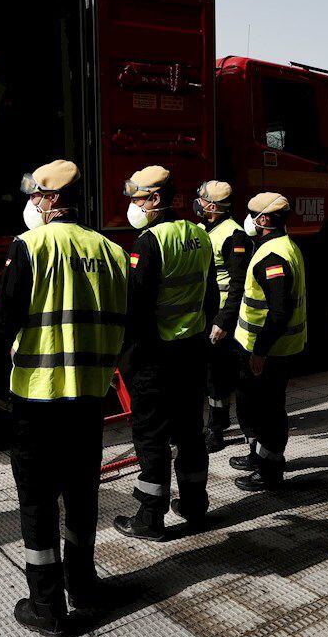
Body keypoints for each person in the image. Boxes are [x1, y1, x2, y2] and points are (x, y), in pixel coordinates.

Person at [0, 160, 128, 637]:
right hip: (90, 401)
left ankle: (48, 609)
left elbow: (3, 320)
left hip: (37, 402)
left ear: (53, 201)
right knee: (81, 495)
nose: (31, 205)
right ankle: (85, 586)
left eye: (36, 197)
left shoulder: (31, 247)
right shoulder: (112, 251)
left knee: (37, 502)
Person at [113, 165, 216, 541]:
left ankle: (150, 517)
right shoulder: (199, 236)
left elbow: (136, 308)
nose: (134, 206)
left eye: (138, 199)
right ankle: (194, 504)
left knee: (152, 436)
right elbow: (210, 297)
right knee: (190, 431)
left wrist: (125, 356)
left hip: (156, 357)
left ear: (156, 199)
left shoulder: (149, 242)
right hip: (192, 352)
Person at [230, 192, 307, 491]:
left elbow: (278, 311)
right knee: (259, 407)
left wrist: (260, 352)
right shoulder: (285, 246)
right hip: (268, 347)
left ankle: (270, 470)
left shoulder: (273, 257)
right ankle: (260, 458)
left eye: (252, 215)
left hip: (269, 351)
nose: (249, 221)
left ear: (263, 220)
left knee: (269, 411)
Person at [194, 180, 253, 452]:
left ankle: (218, 429)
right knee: (209, 372)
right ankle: (217, 421)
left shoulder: (235, 235)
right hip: (204, 312)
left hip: (221, 315)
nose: (199, 202)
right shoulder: (202, 229)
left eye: (203, 199)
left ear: (214, 206)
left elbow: (238, 284)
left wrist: (223, 321)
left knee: (221, 374)